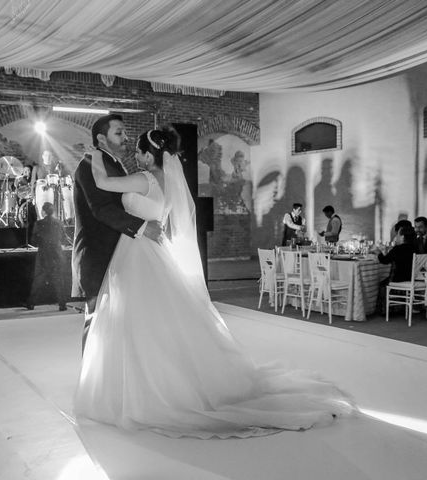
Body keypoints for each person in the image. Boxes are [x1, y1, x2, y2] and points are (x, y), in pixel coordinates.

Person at [74, 128, 356, 439]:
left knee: (136, 319)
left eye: (141, 152)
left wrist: (94, 154)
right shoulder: (168, 181)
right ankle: (160, 379)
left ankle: (142, 387)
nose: (137, 157)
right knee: (153, 318)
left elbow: (102, 183)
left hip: (137, 253)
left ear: (152, 154)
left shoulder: (145, 180)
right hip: (150, 250)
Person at [72, 114, 163, 354]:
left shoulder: (113, 164)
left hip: (119, 253)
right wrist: (143, 226)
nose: (126, 137)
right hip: (97, 255)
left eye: (125, 132)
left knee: (115, 321)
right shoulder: (90, 164)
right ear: (101, 138)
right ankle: (90, 380)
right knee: (96, 320)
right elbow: (101, 209)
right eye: (119, 133)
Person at [24, 202, 70, 311]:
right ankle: (62, 304)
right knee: (59, 279)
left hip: (44, 254)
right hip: (57, 254)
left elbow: (34, 241)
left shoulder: (39, 224)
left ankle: (31, 303)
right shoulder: (59, 223)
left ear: (43, 211)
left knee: (38, 279)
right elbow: (64, 238)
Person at [373, 226, 417, 314]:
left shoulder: (398, 249)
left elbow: (384, 261)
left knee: (381, 283)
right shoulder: (415, 248)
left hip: (398, 278)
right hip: (411, 278)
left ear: (403, 237)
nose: (396, 236)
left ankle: (386, 309)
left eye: (397, 234)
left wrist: (378, 253)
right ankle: (401, 306)